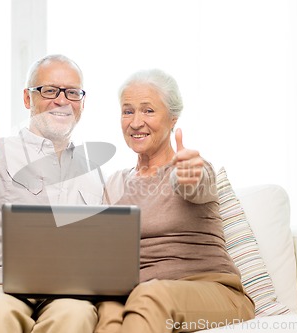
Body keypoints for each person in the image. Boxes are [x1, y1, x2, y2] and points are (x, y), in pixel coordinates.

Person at [0, 54, 104, 333]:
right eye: (50, 90)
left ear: (82, 102)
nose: (62, 100)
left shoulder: (94, 171)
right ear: (28, 99)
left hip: (64, 291)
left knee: (76, 315)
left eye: (73, 92)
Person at [96, 69, 255, 333]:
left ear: (173, 119)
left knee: (150, 297)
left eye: (148, 111)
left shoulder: (189, 168)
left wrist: (190, 176)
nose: (135, 122)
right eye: (127, 111)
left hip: (212, 292)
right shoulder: (114, 184)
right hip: (136, 292)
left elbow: (197, 184)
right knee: (108, 305)